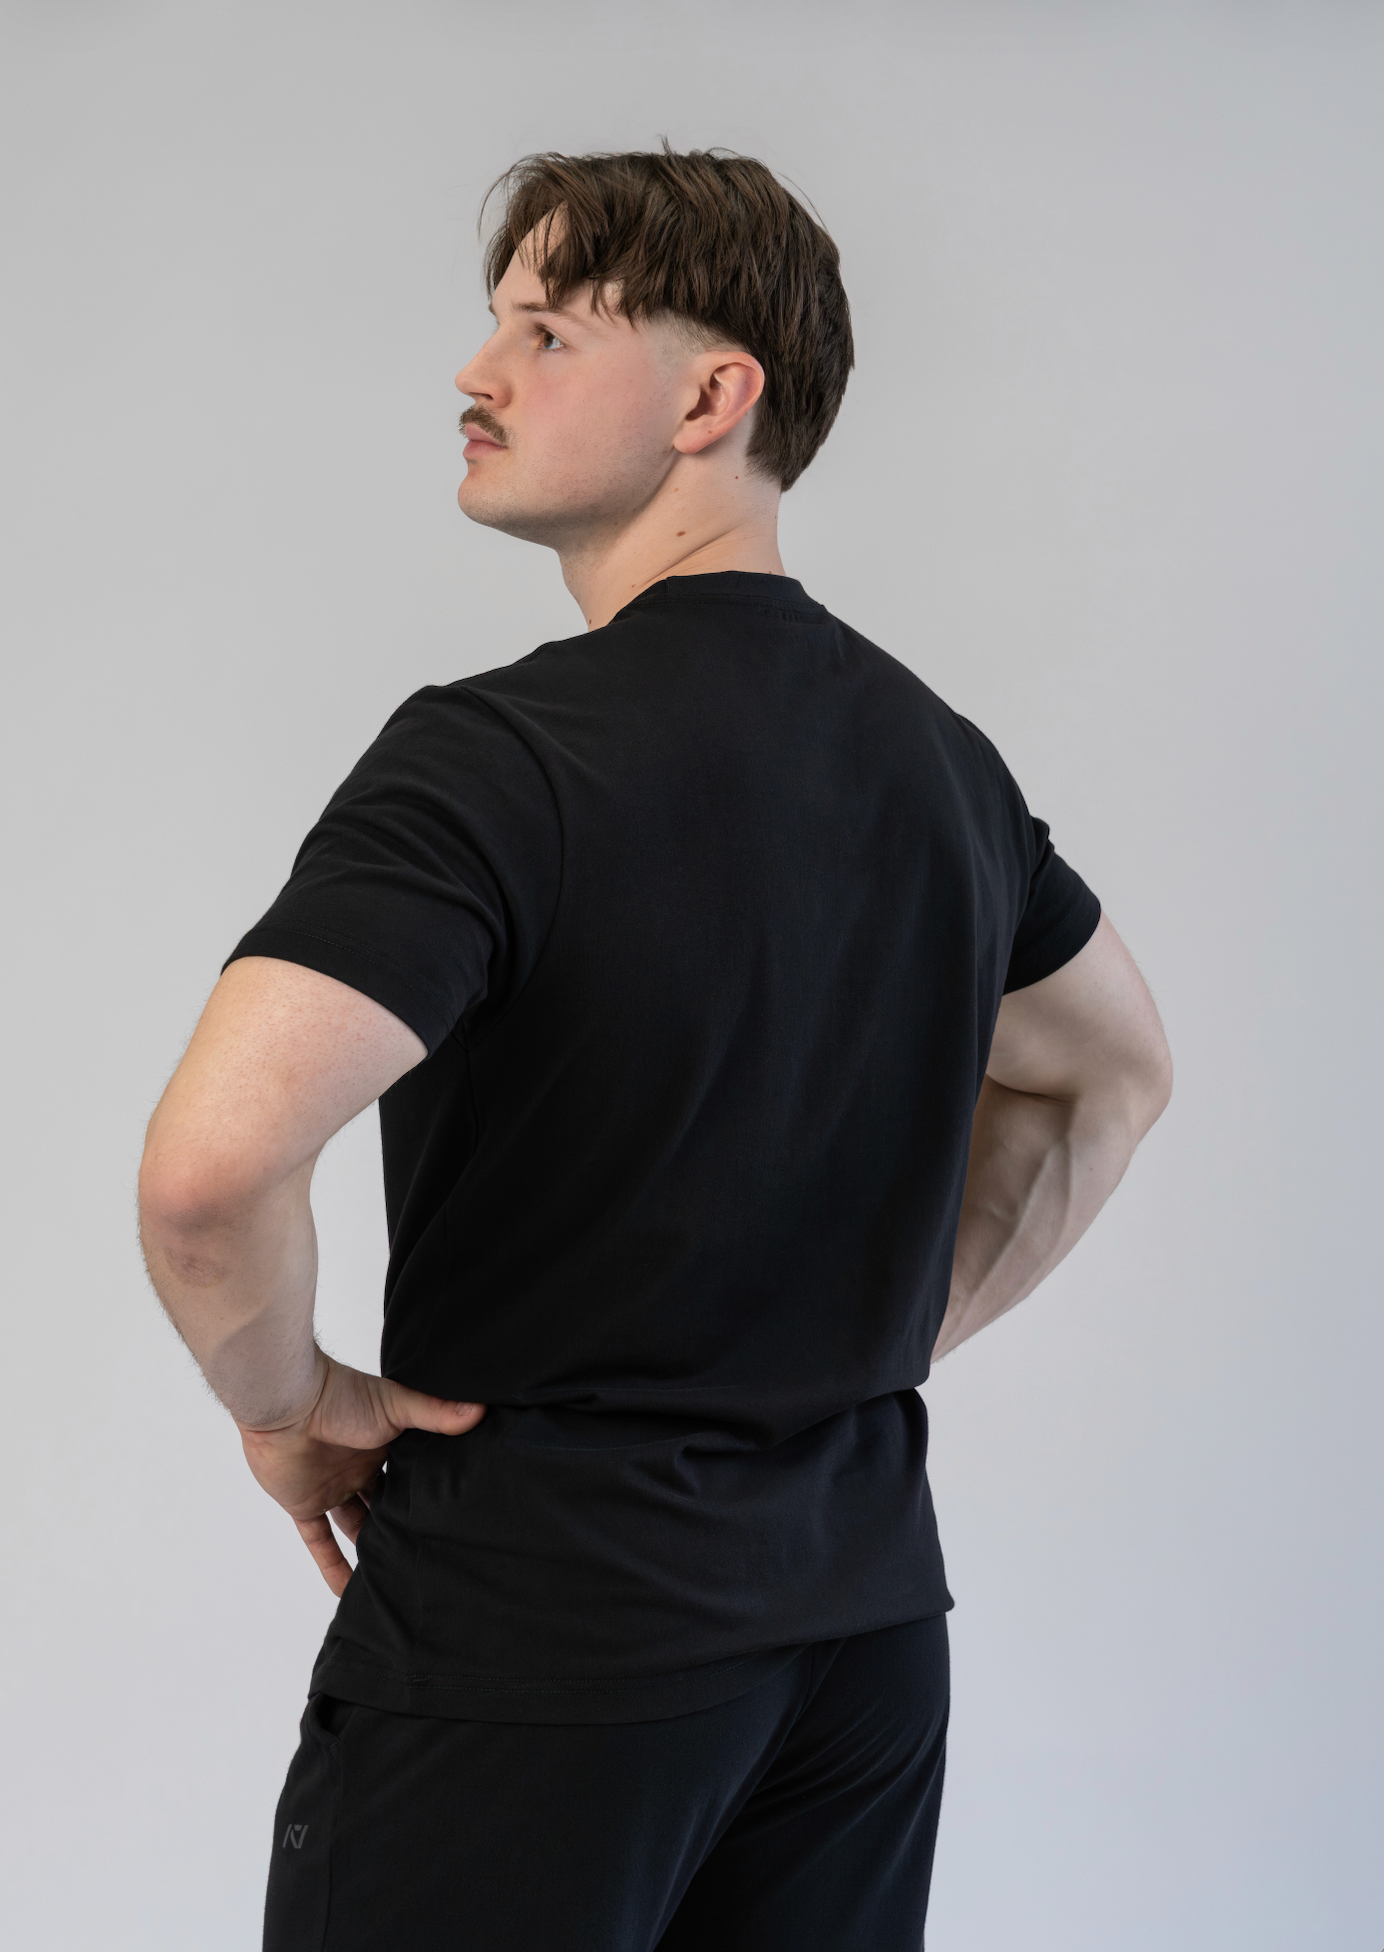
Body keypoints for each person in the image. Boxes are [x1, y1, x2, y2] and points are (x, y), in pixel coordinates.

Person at [138, 147, 1171, 1952]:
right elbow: (1114, 1070)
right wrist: (859, 1354)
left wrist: (290, 1409)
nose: (478, 373)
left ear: (713, 399)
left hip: (542, 1639)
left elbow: (210, 1172)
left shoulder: (497, 762)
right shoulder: (939, 764)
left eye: (547, 333)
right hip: (857, 1645)